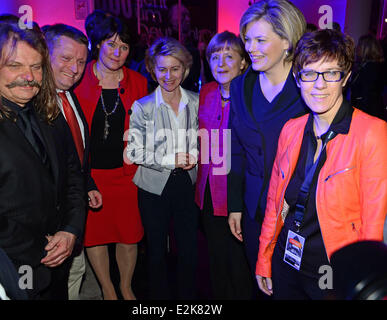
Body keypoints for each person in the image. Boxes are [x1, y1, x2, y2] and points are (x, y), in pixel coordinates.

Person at [255, 29, 387, 299]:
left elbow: (374, 223)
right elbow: (275, 202)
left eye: (331, 73)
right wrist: (264, 258)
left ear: (346, 77)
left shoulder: (372, 132)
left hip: (333, 269)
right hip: (286, 259)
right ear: (297, 78)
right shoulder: (291, 130)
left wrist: (368, 282)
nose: (319, 84)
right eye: (310, 73)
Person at [0, 23, 86, 299]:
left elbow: (73, 176)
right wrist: (40, 248)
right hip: (11, 269)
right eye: (15, 65)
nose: (28, 76)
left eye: (36, 67)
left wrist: (70, 230)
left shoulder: (48, 112)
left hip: (59, 264)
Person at [227, 0, 308, 299]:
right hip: (252, 209)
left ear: (287, 41)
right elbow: (234, 150)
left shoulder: (309, 87)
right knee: (260, 287)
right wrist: (234, 203)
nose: (250, 47)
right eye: (248, 39)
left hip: (295, 213)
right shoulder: (240, 87)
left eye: (261, 40)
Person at [74, 16, 147, 300]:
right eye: (111, 44)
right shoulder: (79, 80)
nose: (117, 53)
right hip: (92, 176)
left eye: (124, 47)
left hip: (127, 174)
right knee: (96, 236)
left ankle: (126, 286)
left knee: (129, 235)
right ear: (98, 44)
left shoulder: (139, 82)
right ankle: (107, 288)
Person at [127, 37, 199, 299]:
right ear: (152, 70)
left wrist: (196, 154)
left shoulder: (197, 102)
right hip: (152, 187)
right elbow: (133, 151)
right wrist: (172, 158)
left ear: (185, 69)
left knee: (189, 250)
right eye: (162, 69)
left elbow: (206, 142)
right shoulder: (143, 106)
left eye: (175, 68)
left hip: (187, 184)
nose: (168, 75)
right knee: (156, 251)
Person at [44, 23, 103, 300]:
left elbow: (76, 154)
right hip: (49, 228)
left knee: (75, 274)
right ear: (45, 55)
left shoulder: (70, 97)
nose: (75, 68)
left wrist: (87, 182)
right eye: (66, 58)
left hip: (72, 217)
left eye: (81, 61)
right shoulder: (31, 104)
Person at [194, 31, 252, 299]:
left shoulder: (254, 97)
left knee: (240, 265)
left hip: (241, 193)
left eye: (229, 57)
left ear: (243, 62)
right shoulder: (205, 92)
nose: (221, 63)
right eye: (214, 57)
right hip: (208, 191)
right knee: (215, 262)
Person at [350, 34, 386, 120]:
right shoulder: (368, 65)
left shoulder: (371, 68)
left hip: (367, 112)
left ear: (366, 48)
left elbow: (366, 93)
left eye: (359, 45)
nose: (357, 48)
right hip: (367, 110)